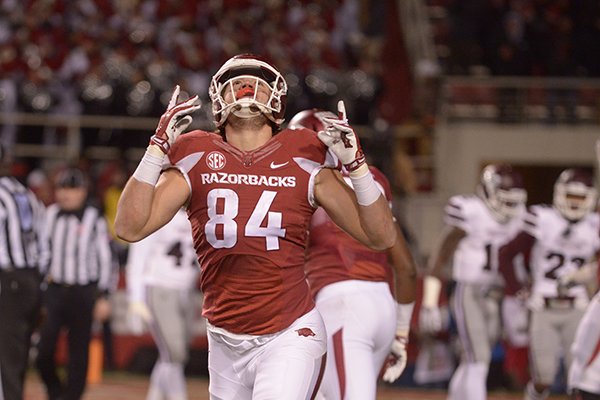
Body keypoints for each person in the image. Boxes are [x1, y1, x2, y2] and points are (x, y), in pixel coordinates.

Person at [114, 53, 397, 399]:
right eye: (236, 85)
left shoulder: (304, 153)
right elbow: (129, 228)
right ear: (218, 99)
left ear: (277, 99)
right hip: (223, 337)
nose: (247, 91)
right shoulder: (195, 153)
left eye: (257, 86)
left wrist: (357, 165)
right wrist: (155, 152)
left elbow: (381, 236)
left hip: (289, 332)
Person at [287, 109, 417, 400]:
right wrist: (401, 333)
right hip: (383, 306)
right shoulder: (374, 180)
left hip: (340, 306)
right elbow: (406, 267)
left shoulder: (304, 182)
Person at [419, 163, 527, 400]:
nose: (510, 207)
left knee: (473, 358)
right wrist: (430, 301)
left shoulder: (519, 217)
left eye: (513, 201)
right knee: (479, 359)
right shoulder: (470, 211)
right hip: (470, 291)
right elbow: (439, 257)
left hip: (498, 293)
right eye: (504, 199)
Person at [499, 168, 600, 400]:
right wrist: (518, 290)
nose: (574, 203)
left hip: (579, 307)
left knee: (580, 376)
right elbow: (506, 254)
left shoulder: (595, 224)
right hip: (544, 306)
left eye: (580, 197)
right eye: (570, 196)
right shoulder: (542, 218)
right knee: (543, 377)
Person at [36, 167, 115, 400]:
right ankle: (55, 391)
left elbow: (106, 259)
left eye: (72, 189)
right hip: (54, 289)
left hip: (83, 291)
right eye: (62, 188)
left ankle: (70, 397)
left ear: (83, 191)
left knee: (78, 352)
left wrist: (104, 296)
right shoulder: (49, 215)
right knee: (43, 350)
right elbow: (41, 254)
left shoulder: (94, 219)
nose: (66, 194)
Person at [126, 208, 199, 400]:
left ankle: (155, 396)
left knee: (173, 354)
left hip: (187, 290)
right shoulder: (159, 212)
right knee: (174, 352)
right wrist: (136, 299)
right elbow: (138, 257)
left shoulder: (202, 214)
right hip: (160, 287)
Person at [0, 144, 49, 400]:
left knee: (6, 358)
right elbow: (44, 243)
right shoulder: (26, 194)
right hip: (29, 279)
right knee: (15, 356)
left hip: (7, 279)